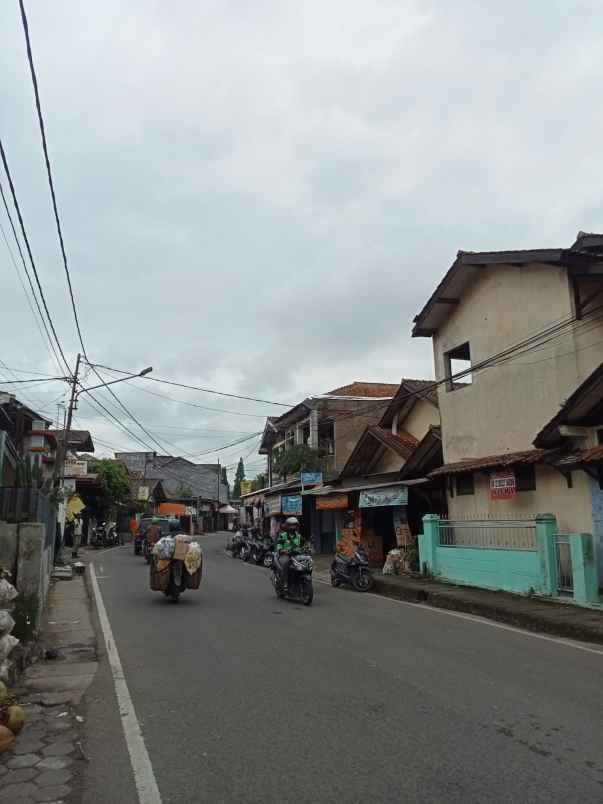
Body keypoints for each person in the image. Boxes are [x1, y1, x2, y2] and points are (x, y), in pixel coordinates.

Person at [276, 516, 302, 590]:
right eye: (291, 525)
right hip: (286, 555)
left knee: (307, 561)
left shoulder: (298, 536)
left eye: (295, 525)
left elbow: (304, 544)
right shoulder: (283, 535)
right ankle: (285, 582)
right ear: (287, 526)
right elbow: (279, 545)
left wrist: (308, 547)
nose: (293, 527)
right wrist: (282, 550)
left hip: (297, 555)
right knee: (286, 563)